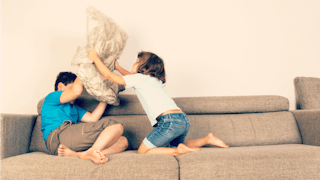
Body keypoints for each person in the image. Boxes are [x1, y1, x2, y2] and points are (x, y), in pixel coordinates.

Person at [87, 48, 229, 156]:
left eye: (137, 62)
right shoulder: (154, 80)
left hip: (169, 122)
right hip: (182, 119)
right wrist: (118, 67)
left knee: (143, 151)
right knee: (174, 146)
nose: (133, 63)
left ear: (144, 68)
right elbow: (132, 77)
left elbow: (109, 76)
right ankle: (207, 139)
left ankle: (178, 151)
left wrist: (95, 58)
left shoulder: (139, 79)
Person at [41, 72, 128, 164]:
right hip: (57, 136)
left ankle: (80, 154)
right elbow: (76, 92)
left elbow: (93, 118)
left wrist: (106, 96)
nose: (79, 92)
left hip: (66, 145)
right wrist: (83, 71)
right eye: (72, 87)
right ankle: (92, 151)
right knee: (115, 125)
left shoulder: (74, 107)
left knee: (122, 141)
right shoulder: (51, 97)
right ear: (60, 86)